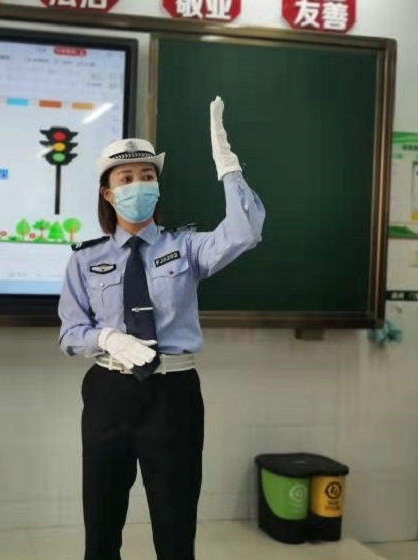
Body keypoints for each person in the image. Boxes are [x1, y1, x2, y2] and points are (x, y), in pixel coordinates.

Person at [57, 97, 265, 560]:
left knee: (175, 530)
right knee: (102, 528)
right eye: (126, 178)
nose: (139, 185)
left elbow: (245, 233)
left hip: (173, 395)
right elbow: (70, 333)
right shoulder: (86, 259)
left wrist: (229, 168)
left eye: (147, 176)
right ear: (108, 193)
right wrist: (105, 337)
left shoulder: (186, 246)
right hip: (109, 392)